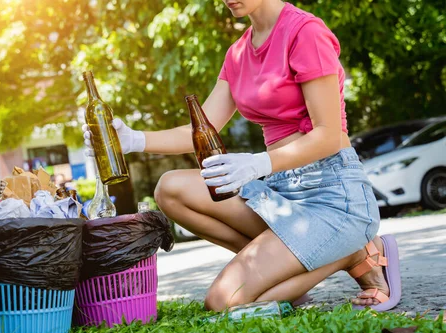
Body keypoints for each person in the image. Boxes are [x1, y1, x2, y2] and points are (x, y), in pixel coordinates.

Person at [83, 0, 401, 312]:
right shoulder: (238, 53)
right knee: (170, 188)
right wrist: (132, 140)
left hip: (333, 197)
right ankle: (291, 273)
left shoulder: (305, 32)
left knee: (224, 301)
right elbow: (199, 128)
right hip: (281, 194)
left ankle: (352, 254)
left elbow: (328, 136)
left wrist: (258, 163)